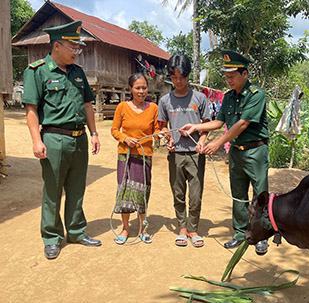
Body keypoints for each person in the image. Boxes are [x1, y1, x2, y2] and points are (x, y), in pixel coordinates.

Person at [22, 21, 102, 260]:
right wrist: (37, 141)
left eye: (78, 47)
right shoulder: (37, 71)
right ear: (57, 46)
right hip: (54, 138)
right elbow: (31, 110)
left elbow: (87, 104)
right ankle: (52, 237)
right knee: (53, 191)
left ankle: (76, 231)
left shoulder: (78, 73)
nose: (77, 51)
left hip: (79, 140)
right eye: (73, 47)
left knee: (77, 189)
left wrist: (94, 133)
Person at [181, 50, 269, 255]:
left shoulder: (257, 95)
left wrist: (218, 143)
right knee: (238, 195)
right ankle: (240, 234)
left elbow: (242, 124)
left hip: (256, 151)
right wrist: (196, 127)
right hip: (237, 153)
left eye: (232, 76)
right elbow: (219, 122)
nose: (228, 80)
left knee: (260, 194)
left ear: (244, 74)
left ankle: (261, 235)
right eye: (226, 76)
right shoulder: (228, 97)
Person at [158, 54, 211, 248]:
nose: (178, 81)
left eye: (182, 77)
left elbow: (207, 125)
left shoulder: (200, 98)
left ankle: (193, 229)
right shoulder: (165, 101)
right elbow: (162, 126)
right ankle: (181, 227)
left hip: (196, 154)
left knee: (195, 195)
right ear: (170, 77)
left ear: (188, 77)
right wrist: (168, 138)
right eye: (174, 78)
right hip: (176, 155)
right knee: (178, 193)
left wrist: (202, 141)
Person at [111, 73, 159, 245]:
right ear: (131, 89)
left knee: (142, 193)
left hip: (144, 156)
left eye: (144, 88)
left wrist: (161, 137)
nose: (141, 91)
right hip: (126, 155)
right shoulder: (122, 107)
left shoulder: (153, 108)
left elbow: (157, 130)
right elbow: (115, 130)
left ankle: (142, 228)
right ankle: (125, 228)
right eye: (137, 88)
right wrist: (125, 138)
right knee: (124, 191)